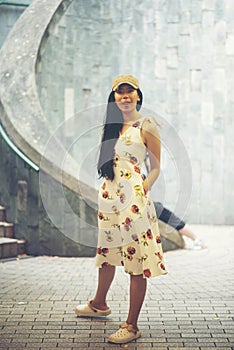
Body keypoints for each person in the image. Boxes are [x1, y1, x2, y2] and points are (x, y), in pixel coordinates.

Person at [75, 74, 167, 344]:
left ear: (139, 95)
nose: (125, 97)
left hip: (134, 201)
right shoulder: (112, 126)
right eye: (120, 92)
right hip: (110, 200)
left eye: (130, 92)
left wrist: (142, 191)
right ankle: (99, 303)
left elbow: (156, 167)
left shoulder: (146, 125)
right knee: (107, 252)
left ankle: (131, 325)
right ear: (114, 97)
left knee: (135, 258)